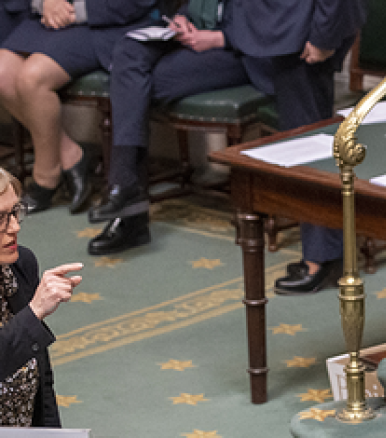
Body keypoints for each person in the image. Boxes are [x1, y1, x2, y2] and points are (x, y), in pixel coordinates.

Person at [86, 0, 251, 254]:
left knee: (136, 89)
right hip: (194, 38)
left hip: (241, 50)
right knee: (128, 52)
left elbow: (271, 16)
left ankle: (129, 208)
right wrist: (181, 19)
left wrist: (222, 38)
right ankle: (124, 189)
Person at [227, 0, 366, 294]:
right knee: (302, 142)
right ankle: (323, 250)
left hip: (305, 32)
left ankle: (323, 256)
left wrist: (323, 36)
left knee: (310, 149)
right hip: (290, 29)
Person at [0, 0, 157, 215]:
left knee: (32, 78)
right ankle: (70, 155)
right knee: (2, 72)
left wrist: (73, 11)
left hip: (109, 23)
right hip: (52, 18)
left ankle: (45, 178)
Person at [0, 166, 82, 427]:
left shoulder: (21, 264)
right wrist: (33, 313)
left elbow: (40, 375)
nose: (14, 227)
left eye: (15, 213)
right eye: (0, 218)